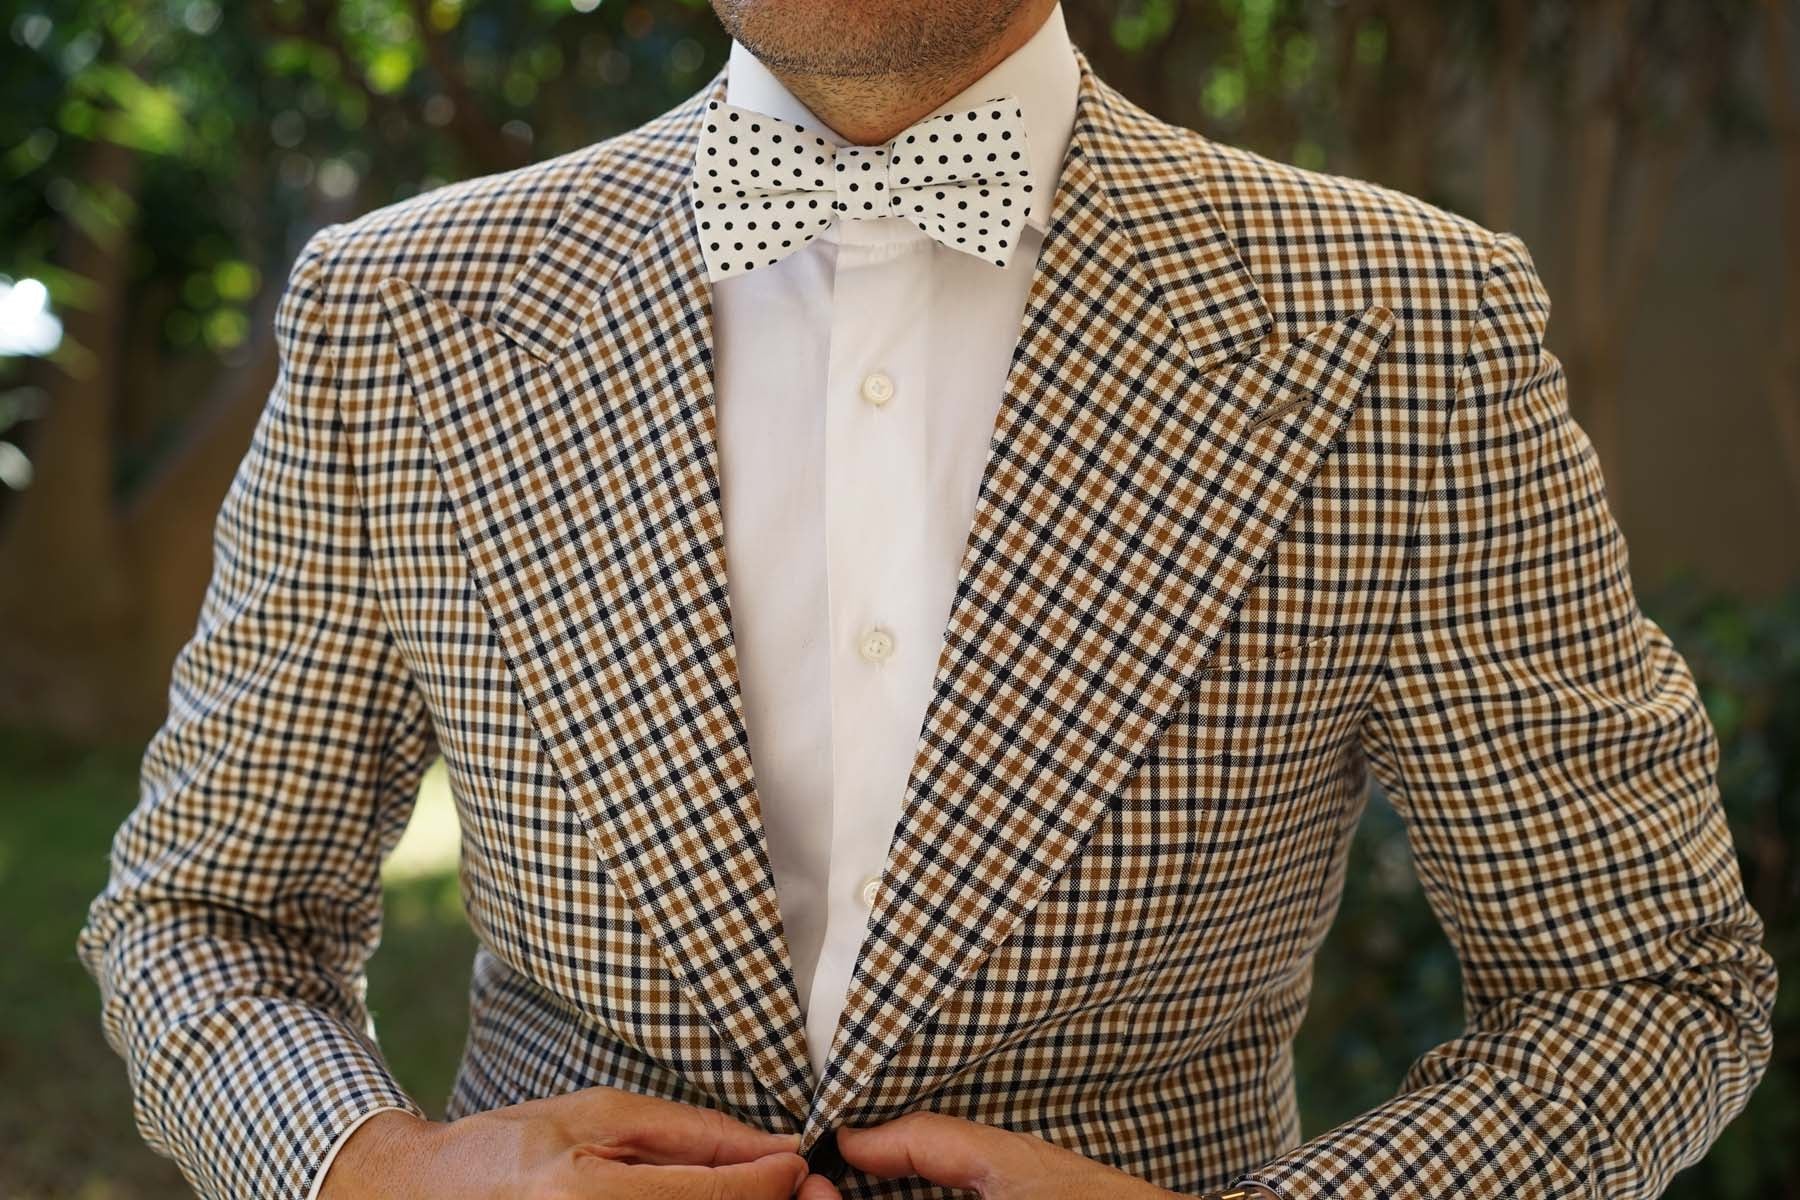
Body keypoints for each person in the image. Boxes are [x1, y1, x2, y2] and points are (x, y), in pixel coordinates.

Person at [78, 1, 1777, 1198]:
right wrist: (379, 1174)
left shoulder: (1403, 322)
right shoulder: (408, 314)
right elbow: (205, 918)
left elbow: (1640, 988)